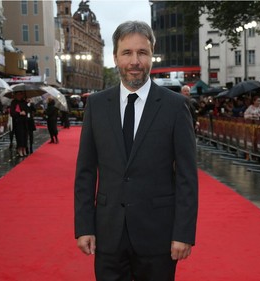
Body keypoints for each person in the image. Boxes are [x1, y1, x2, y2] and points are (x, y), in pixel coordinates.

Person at [74, 21, 198, 281]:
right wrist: (84, 226)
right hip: (108, 233)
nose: (135, 61)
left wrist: (183, 233)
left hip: (159, 236)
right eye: (127, 53)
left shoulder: (175, 106)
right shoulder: (96, 105)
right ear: (115, 57)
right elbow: (85, 171)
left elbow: (187, 177)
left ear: (152, 55)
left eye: (142, 52)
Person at [10, 91, 28, 157]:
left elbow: (27, 110)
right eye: (18, 94)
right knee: (19, 136)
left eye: (21, 94)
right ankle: (19, 149)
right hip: (17, 122)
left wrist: (25, 111)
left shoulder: (24, 102)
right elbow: (12, 113)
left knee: (25, 136)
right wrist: (19, 113)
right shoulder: (13, 102)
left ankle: (24, 148)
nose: (19, 96)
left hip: (24, 121)